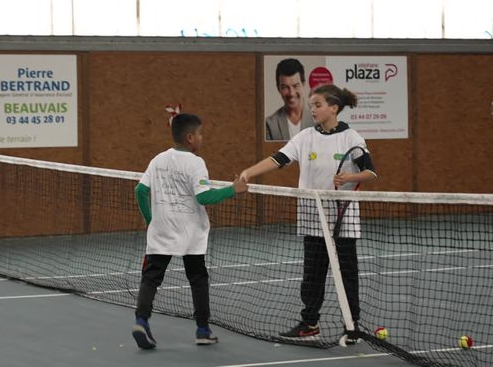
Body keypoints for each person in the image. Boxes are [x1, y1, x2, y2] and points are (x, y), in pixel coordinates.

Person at [242, 84, 377, 341]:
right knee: (312, 275)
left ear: (334, 108)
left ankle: (353, 327)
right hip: (312, 219)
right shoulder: (305, 137)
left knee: (347, 275)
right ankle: (310, 325)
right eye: (311, 105)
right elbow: (279, 158)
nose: (312, 109)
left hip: (343, 220)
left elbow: (371, 173)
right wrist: (249, 172)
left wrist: (351, 175)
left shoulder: (352, 138)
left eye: (317, 105)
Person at [132, 113, 248, 350]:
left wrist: (151, 220)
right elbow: (204, 196)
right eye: (200, 134)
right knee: (198, 279)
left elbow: (140, 191)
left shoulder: (158, 160)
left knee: (151, 278)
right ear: (190, 137)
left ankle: (141, 321)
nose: (202, 138)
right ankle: (203, 330)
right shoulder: (196, 163)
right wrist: (233, 190)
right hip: (190, 234)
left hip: (161, 230)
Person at [265, 58, 314, 141]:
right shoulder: (270, 124)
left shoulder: (320, 118)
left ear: (303, 84)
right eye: (285, 87)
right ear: (278, 88)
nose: (291, 93)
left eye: (295, 86)